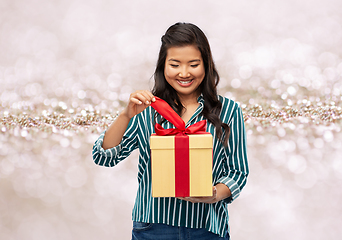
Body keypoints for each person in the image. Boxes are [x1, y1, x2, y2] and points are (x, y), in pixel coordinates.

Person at [92, 22, 249, 240]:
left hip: (207, 228)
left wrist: (213, 195)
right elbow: (104, 157)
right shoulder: (146, 109)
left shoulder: (229, 111)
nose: (184, 73)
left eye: (193, 64)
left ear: (206, 65)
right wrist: (126, 115)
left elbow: (237, 173)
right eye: (175, 64)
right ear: (163, 66)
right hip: (153, 227)